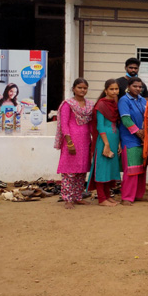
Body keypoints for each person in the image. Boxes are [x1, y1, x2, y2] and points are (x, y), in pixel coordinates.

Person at [55, 78, 94, 209]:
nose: (82, 90)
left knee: (81, 171)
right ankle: (67, 198)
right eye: (79, 88)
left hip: (85, 141)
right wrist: (69, 143)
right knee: (69, 171)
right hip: (71, 141)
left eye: (85, 88)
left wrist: (94, 140)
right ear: (73, 89)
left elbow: (91, 124)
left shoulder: (89, 105)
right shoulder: (68, 104)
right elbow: (64, 124)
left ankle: (78, 197)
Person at [88, 79, 122, 207]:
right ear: (106, 90)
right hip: (103, 140)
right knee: (102, 169)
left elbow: (116, 124)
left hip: (114, 139)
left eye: (116, 89)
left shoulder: (115, 104)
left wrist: (118, 143)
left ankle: (107, 196)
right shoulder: (101, 105)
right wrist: (106, 144)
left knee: (110, 169)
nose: (114, 91)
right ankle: (102, 199)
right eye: (111, 89)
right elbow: (100, 126)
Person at [118, 77, 148, 204]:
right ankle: (126, 197)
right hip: (130, 138)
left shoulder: (142, 100)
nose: (138, 89)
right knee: (131, 169)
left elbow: (147, 117)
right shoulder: (124, 100)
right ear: (128, 87)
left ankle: (138, 195)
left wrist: (145, 133)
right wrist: (138, 132)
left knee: (141, 168)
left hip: (143, 138)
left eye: (140, 87)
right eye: (135, 86)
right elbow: (125, 119)